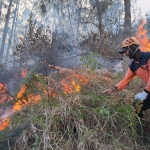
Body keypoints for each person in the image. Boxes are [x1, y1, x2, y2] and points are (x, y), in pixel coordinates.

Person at [103, 36, 150, 138]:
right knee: (137, 107)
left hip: (148, 90)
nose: (125, 54)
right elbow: (125, 81)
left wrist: (145, 92)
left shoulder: (148, 56)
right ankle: (140, 138)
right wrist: (113, 90)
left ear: (133, 48)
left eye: (126, 51)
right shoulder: (133, 66)